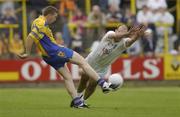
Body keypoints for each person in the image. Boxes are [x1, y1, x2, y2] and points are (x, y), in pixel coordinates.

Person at [17, 6, 115, 108]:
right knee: (83, 62)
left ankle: (77, 102)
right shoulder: (41, 23)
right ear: (49, 15)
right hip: (55, 51)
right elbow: (30, 37)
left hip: (48, 56)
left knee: (67, 77)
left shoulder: (36, 22)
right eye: (54, 17)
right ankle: (103, 84)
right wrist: (27, 53)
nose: (55, 19)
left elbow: (43, 40)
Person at [77, 24, 147, 104]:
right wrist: (127, 34)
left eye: (124, 31)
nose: (122, 32)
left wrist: (137, 36)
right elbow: (116, 36)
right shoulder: (109, 34)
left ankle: (83, 101)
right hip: (91, 61)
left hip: (102, 68)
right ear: (116, 31)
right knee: (83, 79)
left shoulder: (124, 42)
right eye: (120, 30)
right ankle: (78, 96)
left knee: (92, 84)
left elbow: (131, 41)